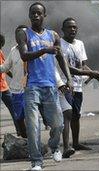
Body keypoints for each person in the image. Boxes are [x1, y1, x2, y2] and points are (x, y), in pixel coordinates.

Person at [15, 2, 73, 170]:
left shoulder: (53, 35)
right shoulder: (23, 34)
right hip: (32, 87)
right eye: (32, 13)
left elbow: (61, 58)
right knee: (33, 127)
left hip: (50, 87)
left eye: (39, 13)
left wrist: (68, 78)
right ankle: (36, 162)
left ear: (44, 16)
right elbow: (24, 56)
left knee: (58, 124)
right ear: (29, 15)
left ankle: (54, 147)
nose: (35, 16)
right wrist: (44, 51)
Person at [59, 17, 99, 153]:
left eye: (74, 27)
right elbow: (64, 67)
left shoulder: (80, 44)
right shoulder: (59, 44)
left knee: (76, 115)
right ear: (63, 29)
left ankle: (76, 143)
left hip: (78, 86)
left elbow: (82, 65)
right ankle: (66, 146)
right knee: (67, 114)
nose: (72, 29)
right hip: (65, 84)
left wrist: (94, 74)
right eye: (69, 27)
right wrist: (92, 74)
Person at [0, 26, 28, 138]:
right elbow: (5, 67)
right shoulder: (13, 50)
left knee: (23, 114)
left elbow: (5, 67)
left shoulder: (33, 48)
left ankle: (24, 135)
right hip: (11, 88)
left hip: (10, 87)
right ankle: (22, 134)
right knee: (17, 114)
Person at [0, 33, 21, 136]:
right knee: (13, 108)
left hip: (4, 86)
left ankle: (19, 129)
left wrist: (14, 76)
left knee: (13, 108)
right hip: (3, 87)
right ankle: (19, 129)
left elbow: (5, 67)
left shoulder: (0, 52)